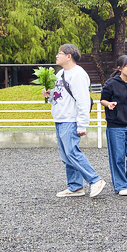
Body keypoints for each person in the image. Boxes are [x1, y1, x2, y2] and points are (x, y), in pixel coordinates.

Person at [43, 44, 106, 198]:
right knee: (66, 155)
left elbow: (83, 101)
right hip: (60, 118)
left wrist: (82, 124)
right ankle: (75, 186)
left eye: (60, 53)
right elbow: (57, 96)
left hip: (70, 119)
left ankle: (95, 180)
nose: (57, 56)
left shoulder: (78, 75)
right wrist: (48, 94)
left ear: (68, 56)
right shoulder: (60, 74)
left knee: (72, 152)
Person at [100, 55, 127, 196]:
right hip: (115, 125)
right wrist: (109, 104)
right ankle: (120, 185)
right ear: (119, 68)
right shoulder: (111, 83)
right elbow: (102, 100)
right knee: (118, 156)